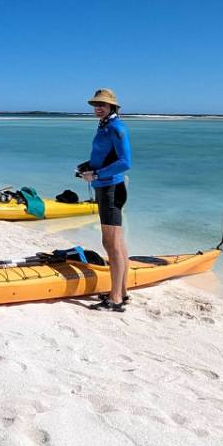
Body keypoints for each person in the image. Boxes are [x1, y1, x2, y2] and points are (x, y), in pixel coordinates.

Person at [77, 88, 132, 311]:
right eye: (95, 104)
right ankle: (123, 291)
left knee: (111, 244)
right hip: (103, 186)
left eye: (103, 104)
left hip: (111, 189)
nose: (98, 108)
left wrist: (97, 175)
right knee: (115, 243)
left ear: (112, 107)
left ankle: (116, 299)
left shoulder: (117, 127)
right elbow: (102, 156)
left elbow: (125, 162)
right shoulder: (104, 126)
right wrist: (87, 167)